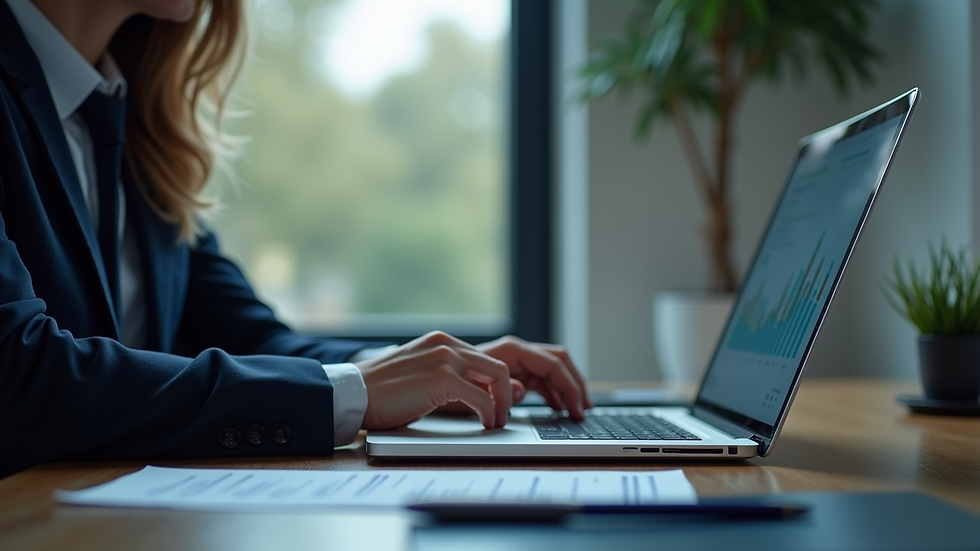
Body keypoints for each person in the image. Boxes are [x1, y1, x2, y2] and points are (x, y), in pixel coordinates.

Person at [0, 0, 591, 479]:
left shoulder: (138, 128)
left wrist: (421, 369)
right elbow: (19, 373)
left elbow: (249, 337)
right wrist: (353, 392)